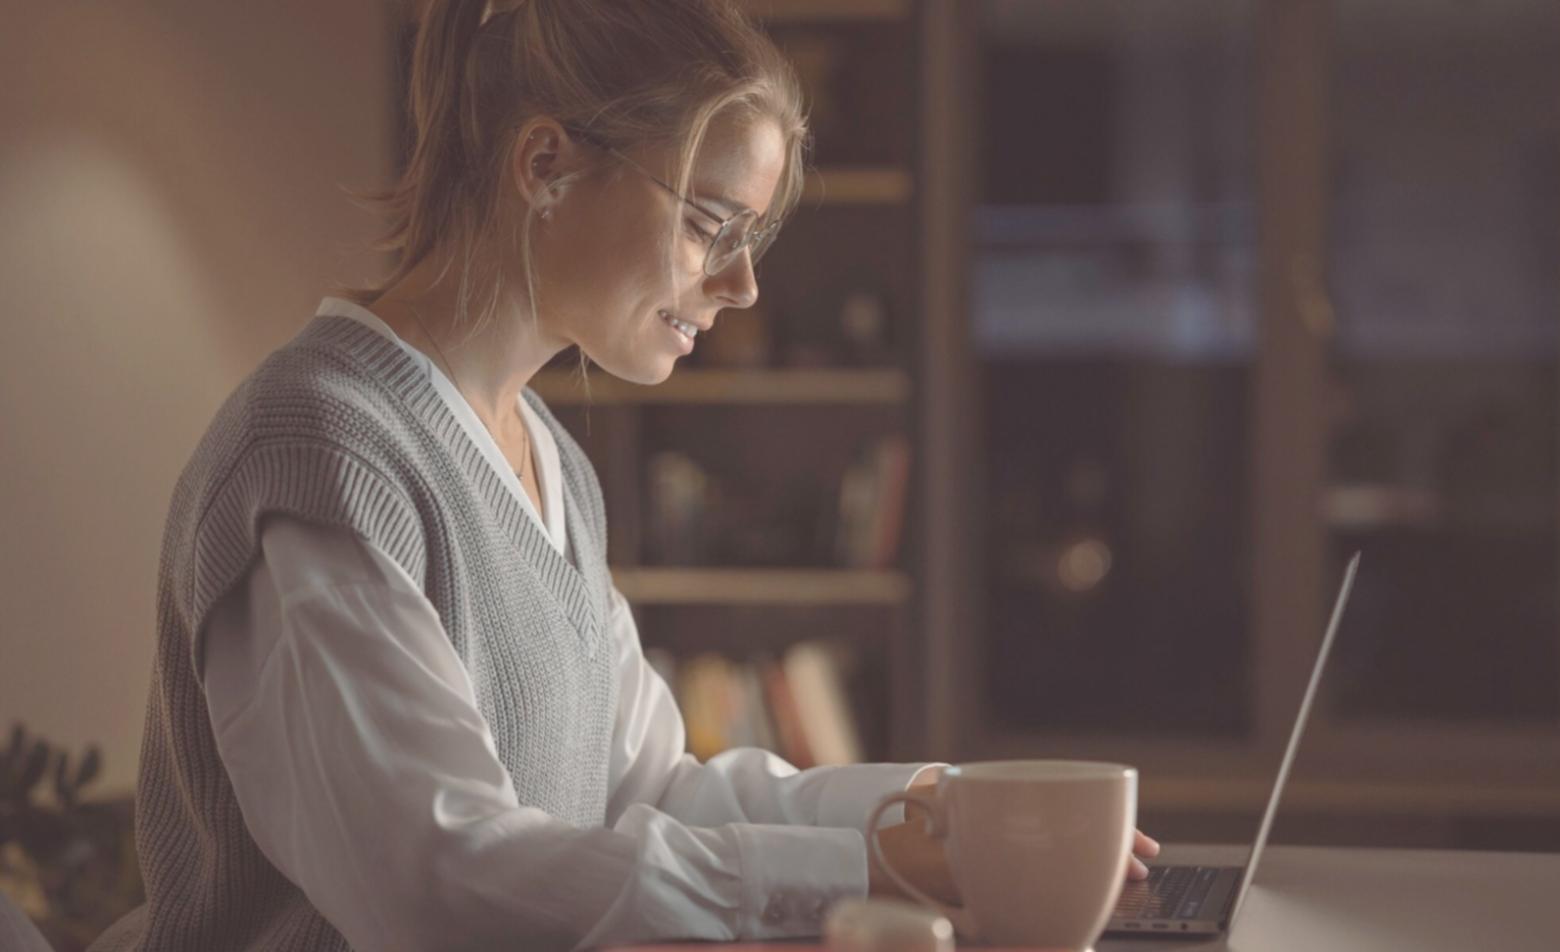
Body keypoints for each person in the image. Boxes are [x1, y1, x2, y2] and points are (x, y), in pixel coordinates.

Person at [91, 1, 1156, 949]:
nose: (740, 285)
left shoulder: (548, 461)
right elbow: (436, 883)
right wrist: (869, 872)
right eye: (708, 225)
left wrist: (939, 812)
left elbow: (650, 788)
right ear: (544, 163)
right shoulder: (320, 451)